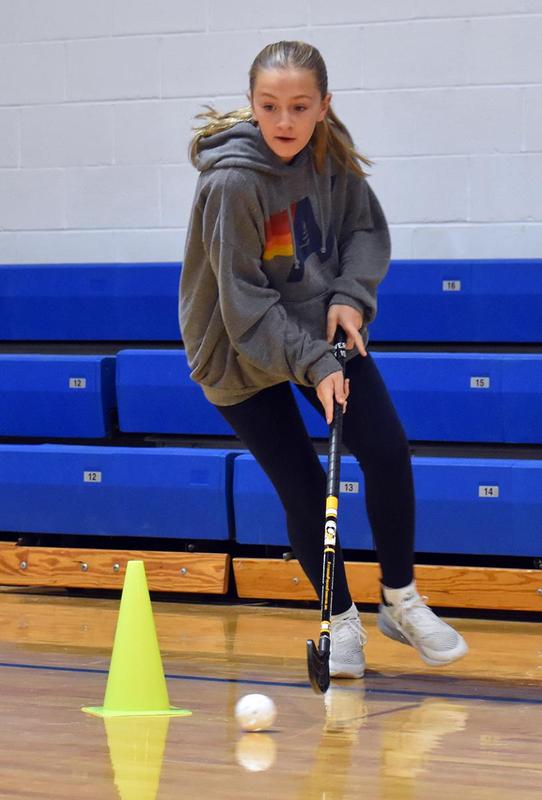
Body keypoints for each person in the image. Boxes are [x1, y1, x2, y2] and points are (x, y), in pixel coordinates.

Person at [179, 40, 468, 678]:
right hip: (236, 347)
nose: (284, 122)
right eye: (270, 106)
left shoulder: (329, 152)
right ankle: (340, 621)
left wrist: (350, 297)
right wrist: (315, 361)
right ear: (252, 106)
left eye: (299, 106)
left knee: (388, 451)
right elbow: (245, 303)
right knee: (307, 489)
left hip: (316, 325)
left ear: (324, 106)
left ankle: (400, 599)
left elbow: (365, 230)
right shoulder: (233, 182)